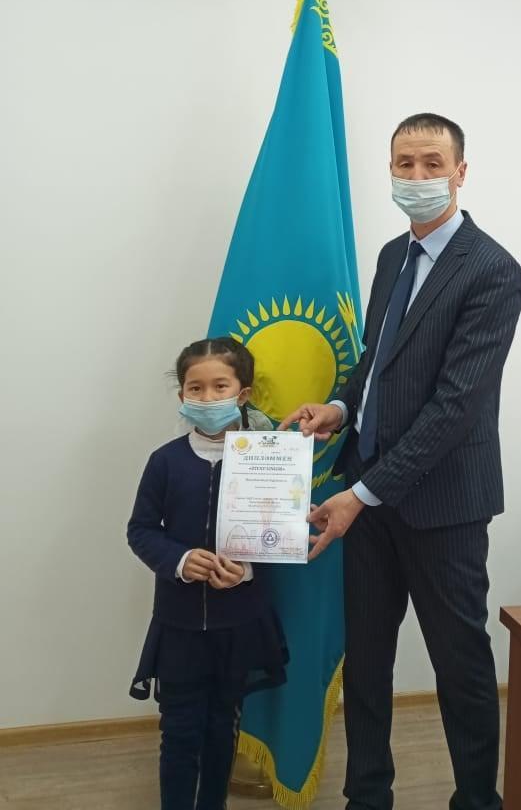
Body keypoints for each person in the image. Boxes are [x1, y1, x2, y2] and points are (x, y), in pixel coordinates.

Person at [280, 114, 521, 810]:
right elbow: (378, 359)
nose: (416, 177)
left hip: (442, 505)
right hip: (367, 495)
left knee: (461, 664)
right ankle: (367, 795)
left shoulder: (493, 270)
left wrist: (362, 493)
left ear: (460, 172)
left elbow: (455, 407)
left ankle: (476, 799)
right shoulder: (393, 255)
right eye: (404, 164)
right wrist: (340, 407)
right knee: (367, 660)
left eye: (431, 164)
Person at [128, 337, 287, 810]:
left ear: (243, 393)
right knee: (179, 732)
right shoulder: (165, 461)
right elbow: (141, 530)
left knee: (222, 727)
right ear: (182, 395)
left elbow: (281, 533)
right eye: (195, 388)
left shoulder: (269, 460)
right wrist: (178, 560)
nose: (207, 396)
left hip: (239, 622)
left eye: (220, 386)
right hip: (179, 624)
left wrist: (247, 568)